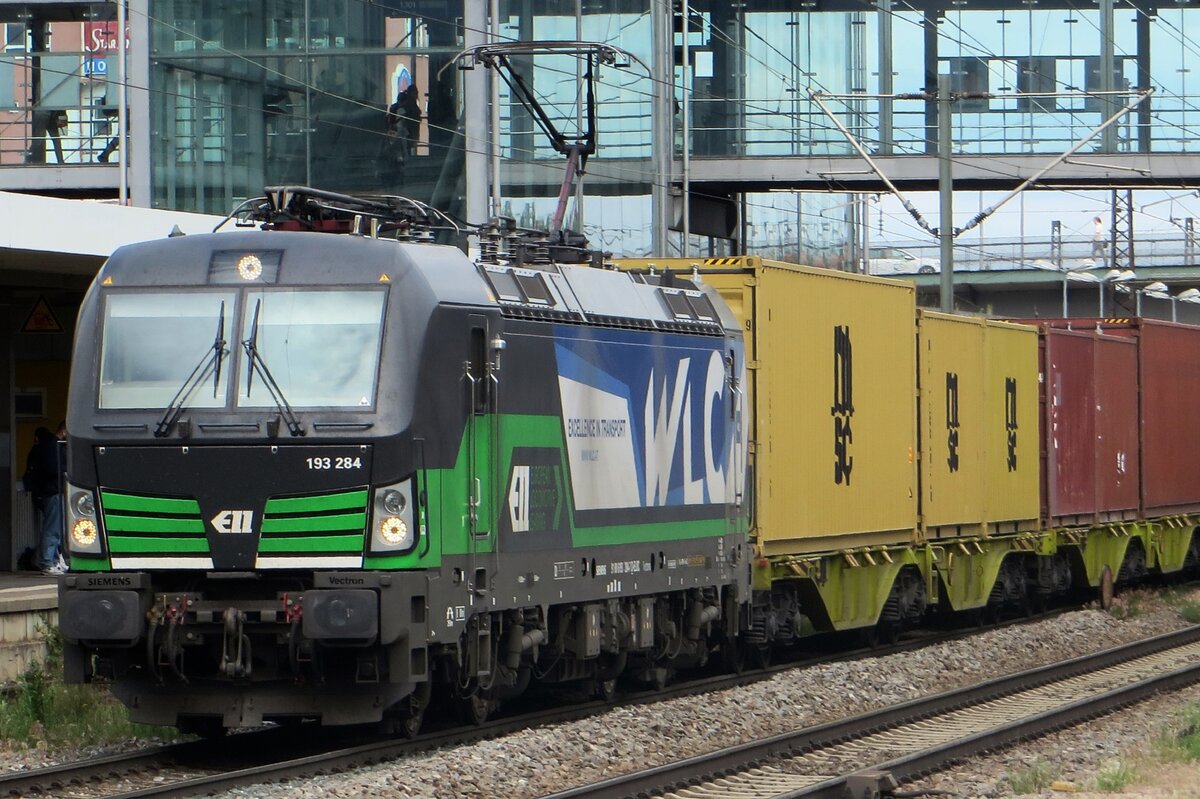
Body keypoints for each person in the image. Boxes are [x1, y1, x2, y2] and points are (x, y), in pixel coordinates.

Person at [24, 422, 66, 575]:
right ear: (64, 430)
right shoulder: (54, 446)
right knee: (53, 528)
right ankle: (47, 562)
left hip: (52, 491)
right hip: (54, 491)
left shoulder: (50, 446)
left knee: (57, 528)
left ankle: (52, 561)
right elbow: (54, 469)